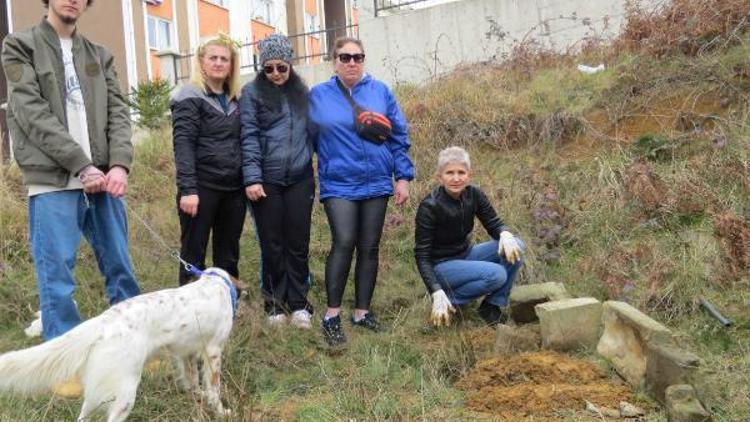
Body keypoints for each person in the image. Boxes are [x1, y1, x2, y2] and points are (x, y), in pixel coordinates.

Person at [1, 0, 141, 341]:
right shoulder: (20, 45)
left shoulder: (99, 53)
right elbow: (31, 113)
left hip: (104, 179)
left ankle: (131, 341)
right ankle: (63, 356)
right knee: (58, 277)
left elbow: (118, 112)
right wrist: (81, 164)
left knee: (120, 266)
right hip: (53, 180)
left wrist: (120, 164)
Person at [309, 37, 415, 346]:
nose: (352, 62)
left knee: (369, 246)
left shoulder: (380, 91)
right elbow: (306, 138)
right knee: (344, 241)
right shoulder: (318, 96)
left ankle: (362, 312)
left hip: (376, 181)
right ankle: (331, 315)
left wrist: (403, 178)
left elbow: (399, 137)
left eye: (358, 57)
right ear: (334, 61)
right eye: (345, 57)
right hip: (339, 182)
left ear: (363, 60)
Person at [240, 34, 315, 328]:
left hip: (300, 178)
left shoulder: (303, 92)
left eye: (281, 67)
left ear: (290, 65)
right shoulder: (251, 93)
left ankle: (299, 304)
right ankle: (273, 304)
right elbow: (248, 137)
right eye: (269, 68)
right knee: (272, 244)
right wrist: (252, 178)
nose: (275, 74)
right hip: (266, 181)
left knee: (297, 243)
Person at [414, 147, 525, 327]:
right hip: (441, 267)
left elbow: (493, 223)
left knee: (516, 245)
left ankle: (492, 306)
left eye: (461, 172)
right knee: (497, 275)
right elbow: (422, 255)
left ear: (469, 175)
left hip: (466, 254)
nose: (456, 178)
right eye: (449, 173)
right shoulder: (430, 206)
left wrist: (504, 232)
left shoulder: (474, 194)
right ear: (439, 176)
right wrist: (435, 290)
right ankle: (448, 300)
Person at [171, 35, 245, 286]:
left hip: (233, 189)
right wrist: (188, 189)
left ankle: (226, 303)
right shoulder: (189, 95)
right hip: (201, 187)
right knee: (194, 252)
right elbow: (183, 145)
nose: (218, 63)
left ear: (231, 66)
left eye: (224, 59)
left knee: (228, 252)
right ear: (201, 62)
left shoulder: (236, 99)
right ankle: (191, 311)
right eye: (213, 57)